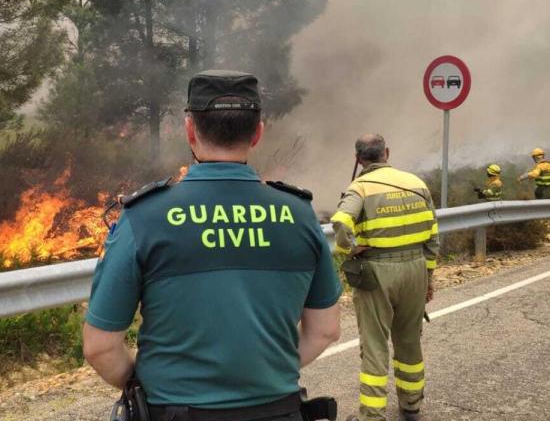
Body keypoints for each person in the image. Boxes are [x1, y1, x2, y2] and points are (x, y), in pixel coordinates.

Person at [83, 70, 343, 421]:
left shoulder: (144, 216)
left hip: (175, 412)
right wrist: (265, 373)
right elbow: (325, 329)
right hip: (278, 411)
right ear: (257, 133)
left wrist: (147, 386)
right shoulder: (299, 215)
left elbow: (100, 347)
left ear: (189, 130)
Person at [331, 135, 438, 421]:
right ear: (386, 153)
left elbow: (340, 222)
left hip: (377, 272)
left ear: (358, 159)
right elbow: (432, 235)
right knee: (409, 339)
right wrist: (428, 276)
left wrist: (349, 249)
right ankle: (411, 405)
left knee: (374, 344)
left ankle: (372, 415)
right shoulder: (416, 183)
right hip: (415, 269)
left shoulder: (360, 187)